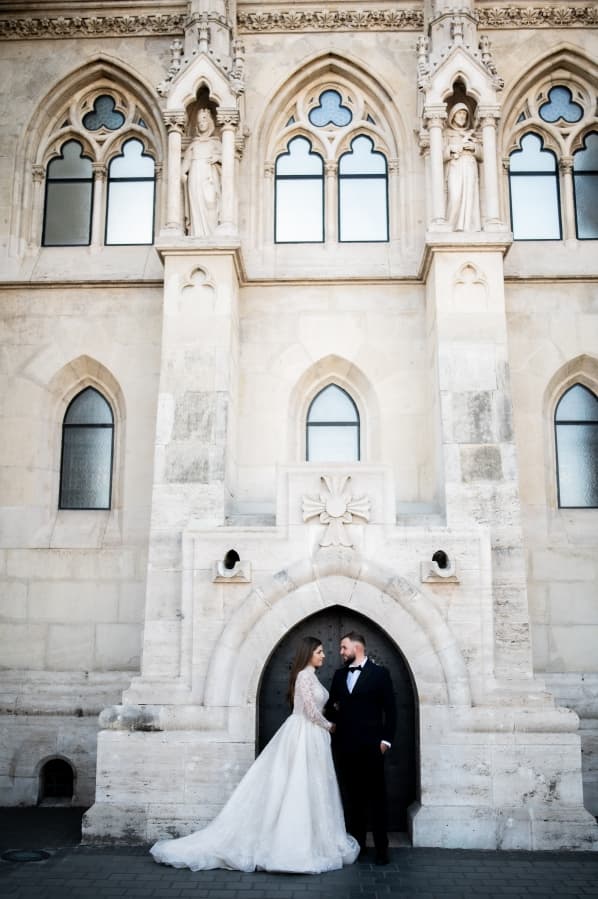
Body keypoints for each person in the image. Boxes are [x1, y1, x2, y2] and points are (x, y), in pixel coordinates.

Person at [150, 636, 359, 874]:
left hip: (311, 736)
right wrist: (329, 725)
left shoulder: (311, 676)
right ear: (309, 652)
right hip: (303, 734)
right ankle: (292, 845)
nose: (323, 655)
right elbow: (310, 711)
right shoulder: (303, 675)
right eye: (319, 651)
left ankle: (312, 838)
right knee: (297, 783)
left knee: (311, 785)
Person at [326, 631, 396, 865]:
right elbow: (331, 708)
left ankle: (382, 849)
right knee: (354, 798)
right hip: (346, 746)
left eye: (344, 647)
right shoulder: (338, 675)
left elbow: (391, 710)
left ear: (357, 648)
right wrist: (335, 711)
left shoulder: (380, 674)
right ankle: (358, 846)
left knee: (377, 798)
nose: (341, 652)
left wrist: (385, 741)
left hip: (372, 747)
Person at [182, 107, 221, 237]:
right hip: (195, 175)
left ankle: (212, 232)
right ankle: (197, 233)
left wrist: (218, 158)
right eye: (199, 122)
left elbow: (227, 159)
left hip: (209, 175)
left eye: (204, 120)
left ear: (209, 122)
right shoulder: (194, 144)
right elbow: (186, 162)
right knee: (197, 204)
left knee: (210, 202)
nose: (201, 123)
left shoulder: (215, 143)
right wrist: (181, 174)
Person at [444, 102, 481, 232]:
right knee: (455, 196)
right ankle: (451, 225)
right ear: (453, 115)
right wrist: (453, 148)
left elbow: (482, 154)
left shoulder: (472, 134)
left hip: (469, 165)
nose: (462, 116)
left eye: (464, 113)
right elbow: (440, 155)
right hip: (455, 166)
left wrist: (474, 148)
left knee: (469, 195)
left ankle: (467, 226)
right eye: (459, 113)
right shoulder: (447, 134)